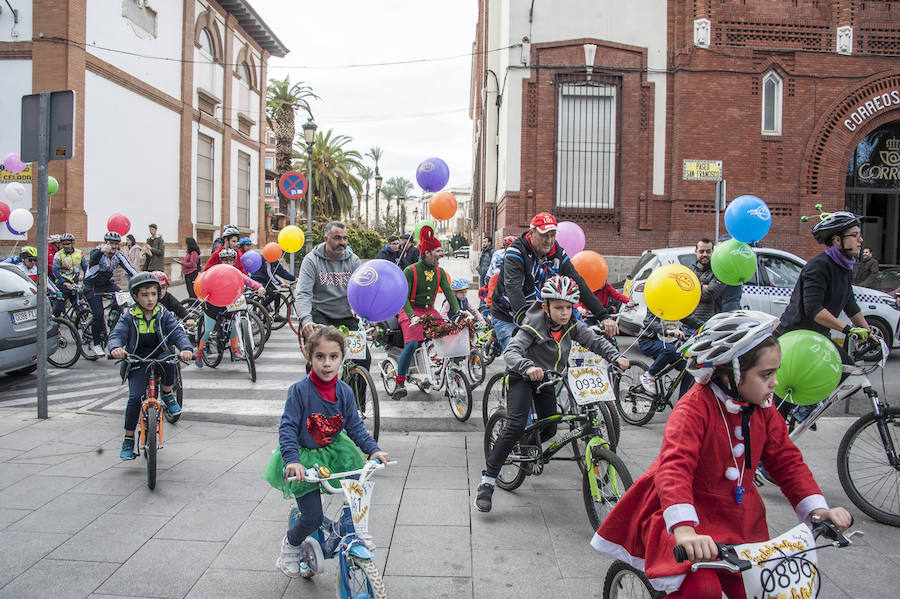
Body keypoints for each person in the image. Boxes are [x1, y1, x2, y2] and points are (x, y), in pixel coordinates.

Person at [590, 311, 852, 597]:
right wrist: (685, 529)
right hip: (686, 515)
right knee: (702, 589)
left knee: (758, 588)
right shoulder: (694, 409)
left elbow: (787, 461)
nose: (775, 383)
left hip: (739, 519)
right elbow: (675, 467)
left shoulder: (763, 410)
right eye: (766, 374)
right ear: (732, 371)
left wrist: (816, 509)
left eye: (776, 372)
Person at [474, 275, 629, 513]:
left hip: (547, 379)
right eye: (558, 307)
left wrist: (615, 356)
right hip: (522, 377)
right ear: (545, 307)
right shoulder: (532, 325)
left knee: (551, 427)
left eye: (568, 307)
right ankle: (488, 481)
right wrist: (527, 367)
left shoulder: (571, 327)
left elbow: (594, 341)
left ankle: (526, 446)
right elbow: (512, 351)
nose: (564, 313)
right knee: (515, 425)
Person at [273, 326, 389, 578]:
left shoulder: (345, 392)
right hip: (305, 457)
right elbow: (288, 428)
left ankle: (357, 533)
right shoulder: (299, 391)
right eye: (320, 357)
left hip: (336, 452)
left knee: (358, 496)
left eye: (333, 357)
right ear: (309, 356)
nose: (327, 363)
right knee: (312, 516)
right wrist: (293, 460)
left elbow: (356, 428)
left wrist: (373, 450)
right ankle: (290, 545)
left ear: (342, 357)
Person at [777, 209, 871, 422]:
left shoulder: (844, 267)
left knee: (845, 370)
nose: (860, 240)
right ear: (837, 240)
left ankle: (803, 412)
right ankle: (787, 423)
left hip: (816, 337)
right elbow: (814, 310)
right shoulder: (818, 267)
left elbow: (850, 304)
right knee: (782, 402)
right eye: (855, 235)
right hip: (796, 338)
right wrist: (847, 330)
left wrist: (869, 332)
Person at [490, 212, 617, 351]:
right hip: (508, 314)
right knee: (520, 356)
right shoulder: (516, 251)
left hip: (542, 314)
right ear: (532, 233)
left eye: (552, 235)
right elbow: (513, 288)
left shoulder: (556, 251)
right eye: (544, 235)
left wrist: (603, 316)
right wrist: (528, 325)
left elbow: (578, 282)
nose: (549, 240)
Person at [108, 272, 194, 459]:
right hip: (137, 358)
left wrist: (186, 348)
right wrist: (116, 348)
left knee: (171, 360)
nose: (150, 299)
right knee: (135, 397)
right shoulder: (129, 316)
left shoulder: (162, 313)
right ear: (135, 297)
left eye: (154, 294)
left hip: (160, 353)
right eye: (145, 295)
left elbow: (176, 333)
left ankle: (168, 393)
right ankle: (129, 438)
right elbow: (117, 334)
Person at [393, 225, 461, 399]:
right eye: (437, 251)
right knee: (412, 344)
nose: (441, 254)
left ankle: (451, 376)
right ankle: (399, 382)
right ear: (427, 253)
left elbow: (449, 294)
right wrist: (411, 316)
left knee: (451, 336)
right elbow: (402, 298)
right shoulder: (411, 270)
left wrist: (460, 311)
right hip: (410, 310)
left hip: (429, 311)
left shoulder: (440, 272)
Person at [194, 247, 263, 365]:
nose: (228, 262)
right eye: (225, 260)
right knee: (209, 329)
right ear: (221, 261)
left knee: (232, 324)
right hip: (212, 303)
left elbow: (247, 280)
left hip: (228, 303)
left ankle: (235, 349)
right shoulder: (215, 271)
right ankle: (199, 351)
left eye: (231, 260)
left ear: (234, 261)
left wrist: (259, 287)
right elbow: (204, 282)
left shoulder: (235, 273)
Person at [83, 232, 139, 356]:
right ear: (106, 242)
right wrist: (102, 251)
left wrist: (142, 279)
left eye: (116, 244)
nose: (113, 246)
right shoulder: (98, 251)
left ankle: (112, 319)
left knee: (124, 297)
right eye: (111, 243)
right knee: (98, 314)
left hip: (105, 282)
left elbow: (130, 269)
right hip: (92, 284)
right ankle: (96, 344)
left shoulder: (118, 255)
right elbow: (92, 259)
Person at [636, 311, 693, 397]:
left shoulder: (679, 306)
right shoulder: (657, 302)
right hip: (648, 342)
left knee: (688, 368)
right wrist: (668, 331)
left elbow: (690, 319)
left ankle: (682, 402)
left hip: (667, 345)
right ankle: (649, 375)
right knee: (670, 349)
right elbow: (649, 321)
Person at [682, 238, 727, 331]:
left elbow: (709, 295)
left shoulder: (719, 272)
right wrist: (703, 287)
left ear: (713, 252)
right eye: (701, 251)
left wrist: (692, 287)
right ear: (696, 252)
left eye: (708, 251)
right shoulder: (690, 272)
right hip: (687, 325)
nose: (705, 254)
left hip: (709, 327)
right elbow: (682, 293)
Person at [52, 233, 88, 317]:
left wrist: (86, 280)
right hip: (62, 284)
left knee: (79, 307)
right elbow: (55, 270)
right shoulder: (58, 255)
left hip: (74, 284)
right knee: (59, 307)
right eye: (63, 244)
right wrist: (63, 282)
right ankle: (54, 323)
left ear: (72, 243)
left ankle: (81, 323)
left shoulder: (79, 253)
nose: (65, 246)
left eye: (68, 243)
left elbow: (86, 268)